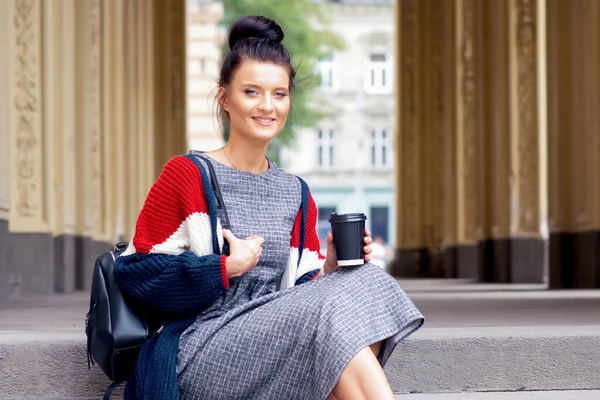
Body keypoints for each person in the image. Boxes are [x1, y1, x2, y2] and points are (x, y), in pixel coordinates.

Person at [114, 15, 424, 400]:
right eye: (252, 92)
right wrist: (222, 268)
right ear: (225, 98)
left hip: (279, 344)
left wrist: (328, 269)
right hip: (203, 346)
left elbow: (300, 296)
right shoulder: (188, 174)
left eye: (279, 94)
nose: (267, 106)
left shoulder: (296, 191)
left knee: (368, 279)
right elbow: (135, 273)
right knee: (331, 323)